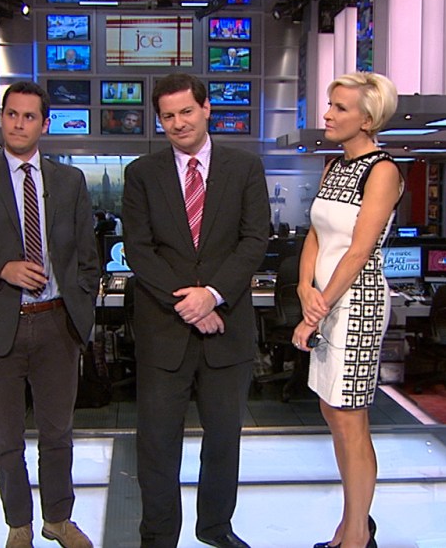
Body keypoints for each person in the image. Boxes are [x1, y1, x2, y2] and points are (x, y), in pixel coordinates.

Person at [0, 80, 99, 548]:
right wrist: (2, 269)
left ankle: (58, 519)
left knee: (58, 434)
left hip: (56, 323)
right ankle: (19, 524)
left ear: (44, 125)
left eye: (29, 117)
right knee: (6, 437)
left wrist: (80, 312)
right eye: (12, 114)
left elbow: (87, 256)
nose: (19, 124)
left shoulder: (69, 182)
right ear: (1, 118)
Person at [122, 73, 270, 548]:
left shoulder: (244, 168)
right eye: (167, 116)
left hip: (227, 328)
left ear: (207, 109)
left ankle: (215, 529)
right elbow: (139, 249)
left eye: (186, 111)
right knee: (157, 445)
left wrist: (214, 294)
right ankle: (159, 536)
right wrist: (190, 302)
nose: (178, 123)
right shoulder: (141, 174)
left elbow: (255, 240)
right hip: (164, 329)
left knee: (224, 439)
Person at [292, 72, 402, 548]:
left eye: (339, 107)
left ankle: (357, 535)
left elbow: (358, 251)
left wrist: (314, 312)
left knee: (350, 417)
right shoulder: (335, 166)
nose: (328, 114)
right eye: (330, 104)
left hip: (357, 304)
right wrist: (303, 287)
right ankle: (349, 525)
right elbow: (316, 235)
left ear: (368, 119)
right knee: (333, 414)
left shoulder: (383, 171)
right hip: (324, 299)